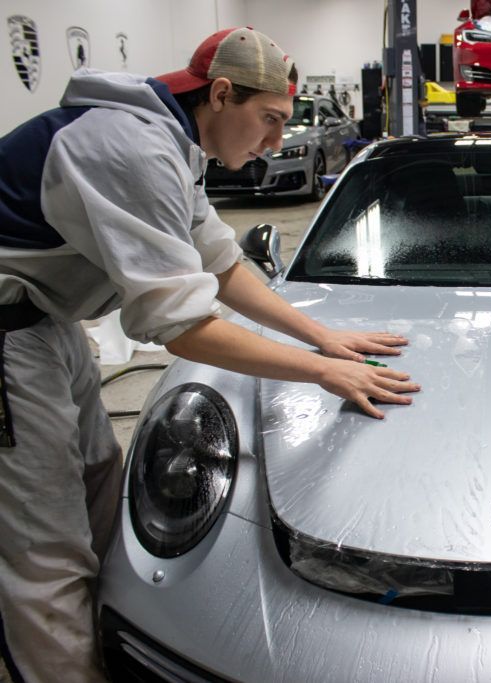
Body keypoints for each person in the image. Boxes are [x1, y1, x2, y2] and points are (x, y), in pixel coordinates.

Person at [0, 27, 420, 682]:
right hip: (7, 335)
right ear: (221, 94)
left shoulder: (171, 142)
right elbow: (185, 327)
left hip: (46, 322)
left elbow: (221, 264)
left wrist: (321, 335)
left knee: (98, 474)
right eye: (271, 120)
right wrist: (321, 370)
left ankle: (105, 629)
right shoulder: (132, 148)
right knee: (43, 546)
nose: (277, 142)